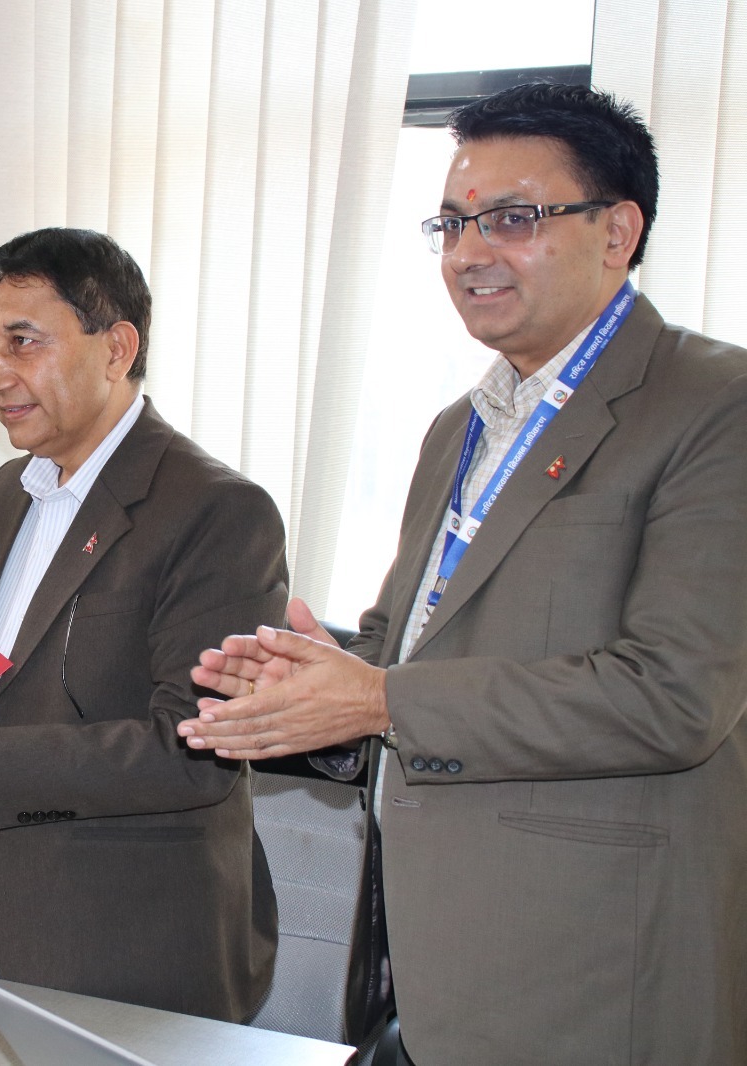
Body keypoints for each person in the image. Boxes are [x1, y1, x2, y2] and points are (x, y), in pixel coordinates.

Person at [181, 83, 747, 1064]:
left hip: (600, 975)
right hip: (431, 966)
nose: (468, 252)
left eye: (512, 219)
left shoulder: (713, 404)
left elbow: (673, 696)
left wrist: (378, 698)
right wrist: (314, 688)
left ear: (617, 232)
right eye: (450, 223)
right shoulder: (463, 426)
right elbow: (411, 652)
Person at [0, 228, 285, 1020]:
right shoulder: (10, 491)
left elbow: (195, 750)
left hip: (120, 933)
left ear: (116, 348)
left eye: (22, 343)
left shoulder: (218, 510)